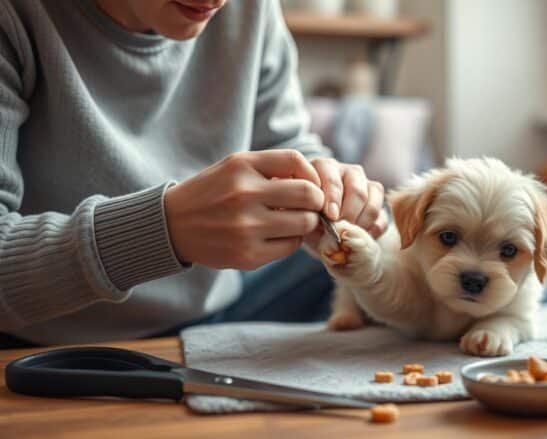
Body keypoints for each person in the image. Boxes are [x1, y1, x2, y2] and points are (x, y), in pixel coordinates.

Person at [0, 0, 387, 347]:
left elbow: (284, 142)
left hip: (220, 313)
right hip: (43, 339)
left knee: (382, 267)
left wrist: (330, 189)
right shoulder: (17, 16)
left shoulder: (250, 8)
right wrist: (162, 231)